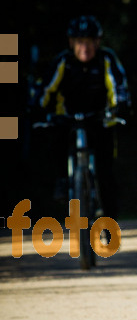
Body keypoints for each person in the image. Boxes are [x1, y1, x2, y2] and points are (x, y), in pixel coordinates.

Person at [39, 15, 131, 218]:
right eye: (80, 42)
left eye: (89, 42)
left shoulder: (106, 59)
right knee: (55, 136)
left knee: (106, 173)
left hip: (99, 120)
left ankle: (109, 221)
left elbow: (118, 87)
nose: (85, 48)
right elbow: (45, 90)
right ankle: (63, 179)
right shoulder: (63, 61)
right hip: (68, 121)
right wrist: (37, 108)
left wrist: (119, 107)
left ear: (97, 42)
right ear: (72, 43)